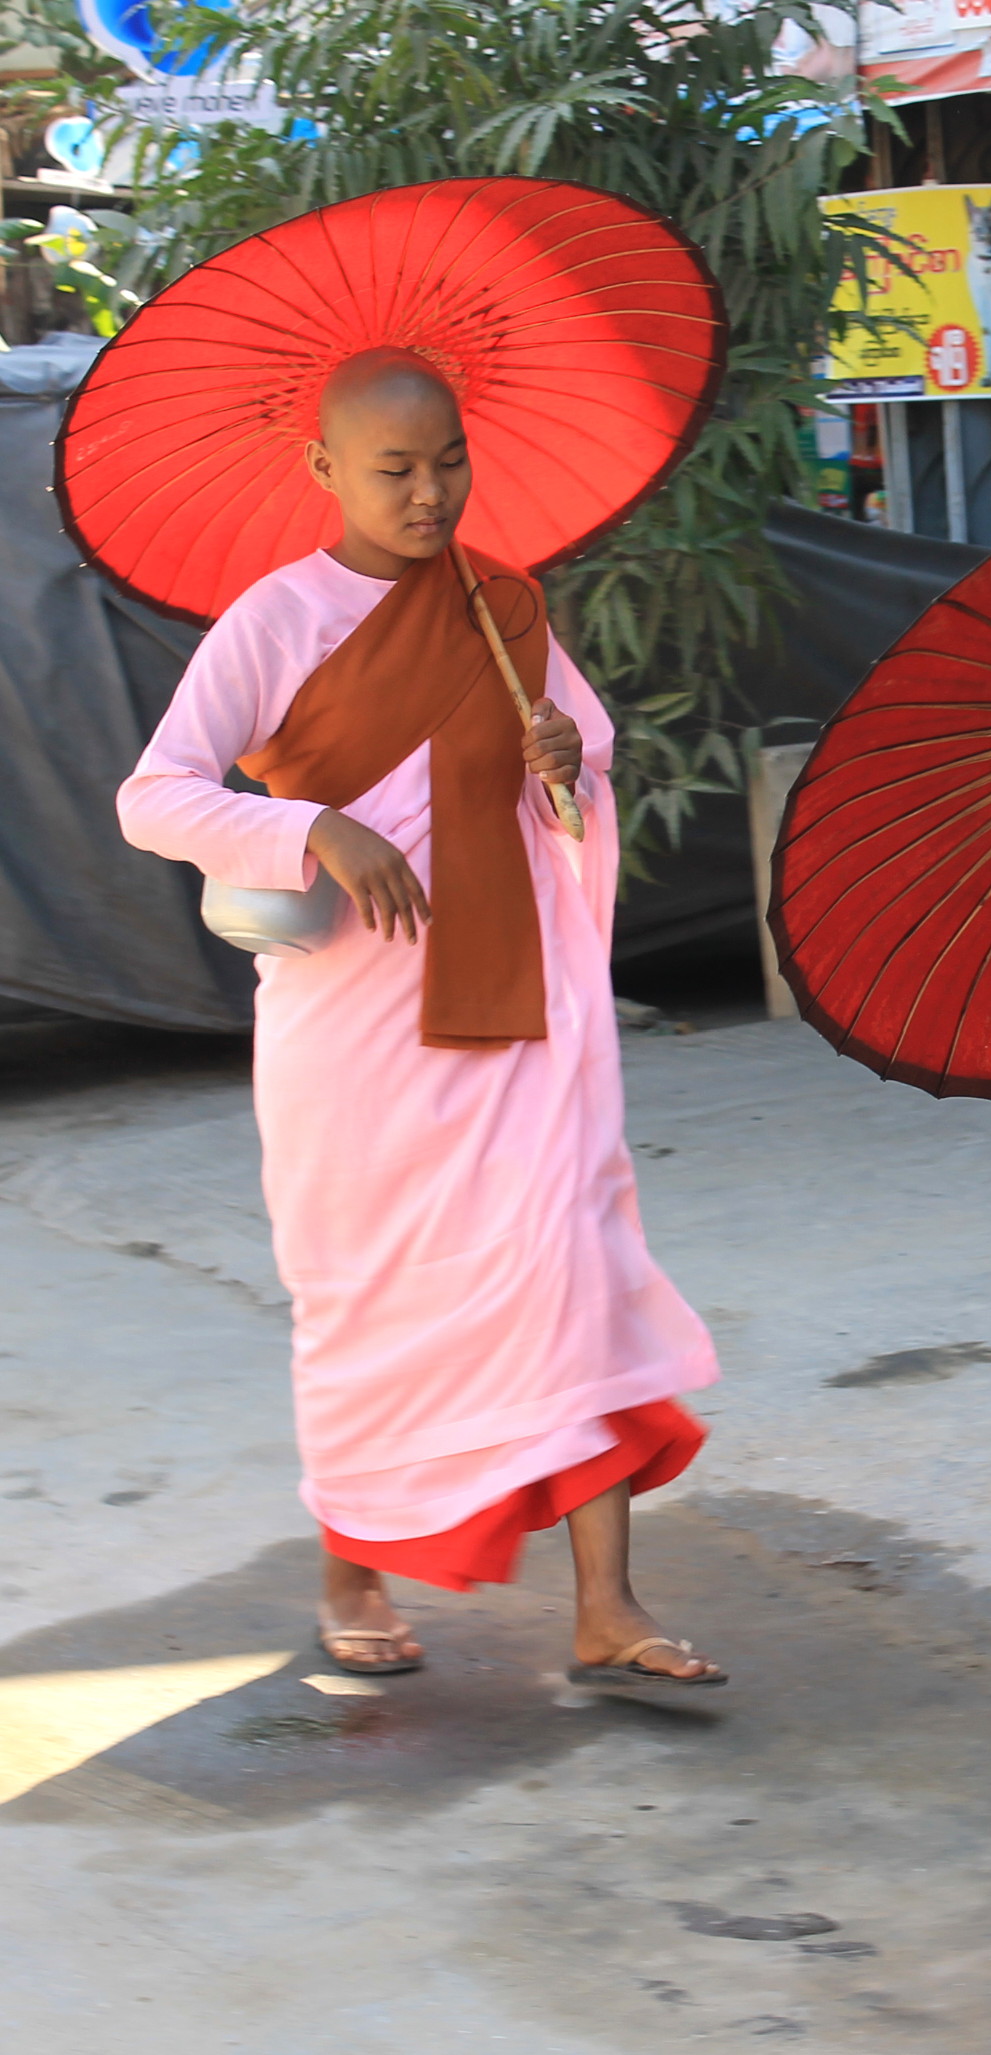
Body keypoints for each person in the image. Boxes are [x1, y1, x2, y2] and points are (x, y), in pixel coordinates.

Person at [118, 348, 724, 1689]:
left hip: (513, 1015)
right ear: (325, 469)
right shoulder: (274, 621)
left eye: (449, 461)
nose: (430, 491)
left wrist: (566, 772)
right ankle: (351, 1566)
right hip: (354, 1031)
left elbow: (578, 783)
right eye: (394, 470)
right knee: (366, 1297)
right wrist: (313, 828)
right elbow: (152, 798)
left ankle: (605, 1605)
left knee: (563, 1272)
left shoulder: (502, 609)